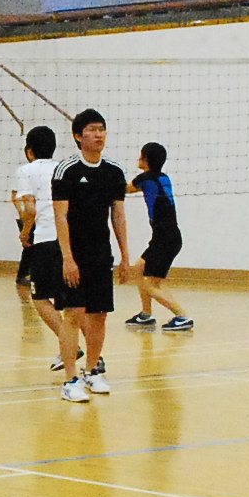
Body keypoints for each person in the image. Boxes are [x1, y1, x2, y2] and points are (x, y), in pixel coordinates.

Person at [51, 109, 130, 402]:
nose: (99, 135)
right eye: (92, 130)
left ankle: (93, 371)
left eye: (102, 129)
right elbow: (60, 217)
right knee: (73, 314)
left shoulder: (114, 172)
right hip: (74, 254)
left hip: (101, 254)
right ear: (78, 136)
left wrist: (125, 256)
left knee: (99, 315)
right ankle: (70, 379)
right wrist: (67, 258)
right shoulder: (66, 170)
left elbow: (118, 216)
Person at [11, 125, 69, 367]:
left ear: (29, 151)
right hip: (69, 241)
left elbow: (31, 210)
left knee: (40, 297)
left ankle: (70, 346)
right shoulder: (64, 168)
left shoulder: (26, 171)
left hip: (46, 241)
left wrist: (26, 233)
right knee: (73, 305)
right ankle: (92, 357)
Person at [126, 141, 192, 332]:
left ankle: (182, 316)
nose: (138, 158)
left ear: (146, 159)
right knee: (139, 269)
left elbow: (124, 189)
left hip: (165, 239)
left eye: (141, 155)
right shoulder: (164, 177)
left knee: (150, 284)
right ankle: (146, 314)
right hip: (166, 237)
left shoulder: (145, 179)